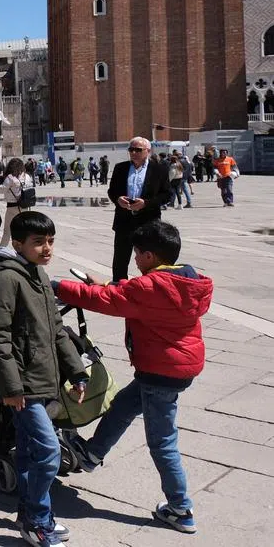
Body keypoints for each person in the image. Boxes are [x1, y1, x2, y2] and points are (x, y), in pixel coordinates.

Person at [58, 221, 211, 535]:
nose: (135, 259)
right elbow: (126, 295)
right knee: (124, 404)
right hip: (177, 365)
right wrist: (103, 284)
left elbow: (112, 301)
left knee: (162, 442)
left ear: (151, 257)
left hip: (161, 371)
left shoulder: (150, 286)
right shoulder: (188, 279)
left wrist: (57, 287)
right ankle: (92, 453)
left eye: (138, 254)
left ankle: (180, 509)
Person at [0, 211, 87, 546]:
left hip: (42, 378)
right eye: (39, 242)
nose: (47, 249)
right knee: (49, 451)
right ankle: (40, 520)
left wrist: (76, 372)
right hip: (21, 385)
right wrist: (11, 388)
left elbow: (56, 331)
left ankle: (27, 513)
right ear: (18, 243)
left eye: (51, 241)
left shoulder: (36, 275)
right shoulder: (5, 279)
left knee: (27, 450)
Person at [108, 137, 171, 282]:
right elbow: (112, 191)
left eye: (138, 150)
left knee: (150, 257)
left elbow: (167, 194)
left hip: (148, 221)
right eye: (131, 149)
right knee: (120, 258)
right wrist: (118, 200)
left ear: (148, 151)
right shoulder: (120, 168)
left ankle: (150, 286)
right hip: (124, 220)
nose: (134, 153)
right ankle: (118, 286)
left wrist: (146, 203)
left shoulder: (159, 169)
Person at [0, 157, 34, 247]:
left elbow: (1, 190)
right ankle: (26, 248)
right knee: (23, 229)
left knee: (7, 231)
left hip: (12, 207)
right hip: (25, 206)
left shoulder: (10, 177)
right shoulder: (27, 176)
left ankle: (0, 250)